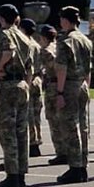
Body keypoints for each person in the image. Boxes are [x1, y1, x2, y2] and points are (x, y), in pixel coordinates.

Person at [0, 4, 33, 187]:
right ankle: (21, 173)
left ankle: (12, 174)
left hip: (8, 84)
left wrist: (0, 66)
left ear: (2, 18)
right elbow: (31, 64)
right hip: (23, 84)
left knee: (7, 131)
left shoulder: (4, 33)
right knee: (21, 131)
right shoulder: (24, 36)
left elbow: (8, 52)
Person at [53, 5, 93, 184]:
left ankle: (75, 167)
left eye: (62, 18)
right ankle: (83, 164)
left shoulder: (66, 41)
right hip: (82, 84)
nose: (60, 22)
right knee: (83, 126)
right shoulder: (85, 40)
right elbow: (88, 68)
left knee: (71, 127)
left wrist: (59, 92)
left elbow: (61, 68)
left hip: (69, 85)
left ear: (66, 20)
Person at [37, 23, 64, 163]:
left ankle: (61, 152)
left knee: (53, 120)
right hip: (61, 84)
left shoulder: (46, 51)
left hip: (52, 85)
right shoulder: (58, 47)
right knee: (61, 120)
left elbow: (45, 68)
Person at [20, 18, 44, 158]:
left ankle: (32, 144)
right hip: (37, 79)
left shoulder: (26, 44)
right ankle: (37, 140)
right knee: (36, 114)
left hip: (29, 79)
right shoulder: (36, 45)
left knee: (28, 114)